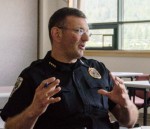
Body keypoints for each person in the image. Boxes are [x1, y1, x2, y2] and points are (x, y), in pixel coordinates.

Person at [0, 7, 138, 129]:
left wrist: (126, 104)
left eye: (87, 32)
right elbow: (10, 126)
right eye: (79, 31)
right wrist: (33, 111)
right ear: (57, 34)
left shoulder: (98, 69)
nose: (86, 38)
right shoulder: (34, 75)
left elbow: (129, 122)